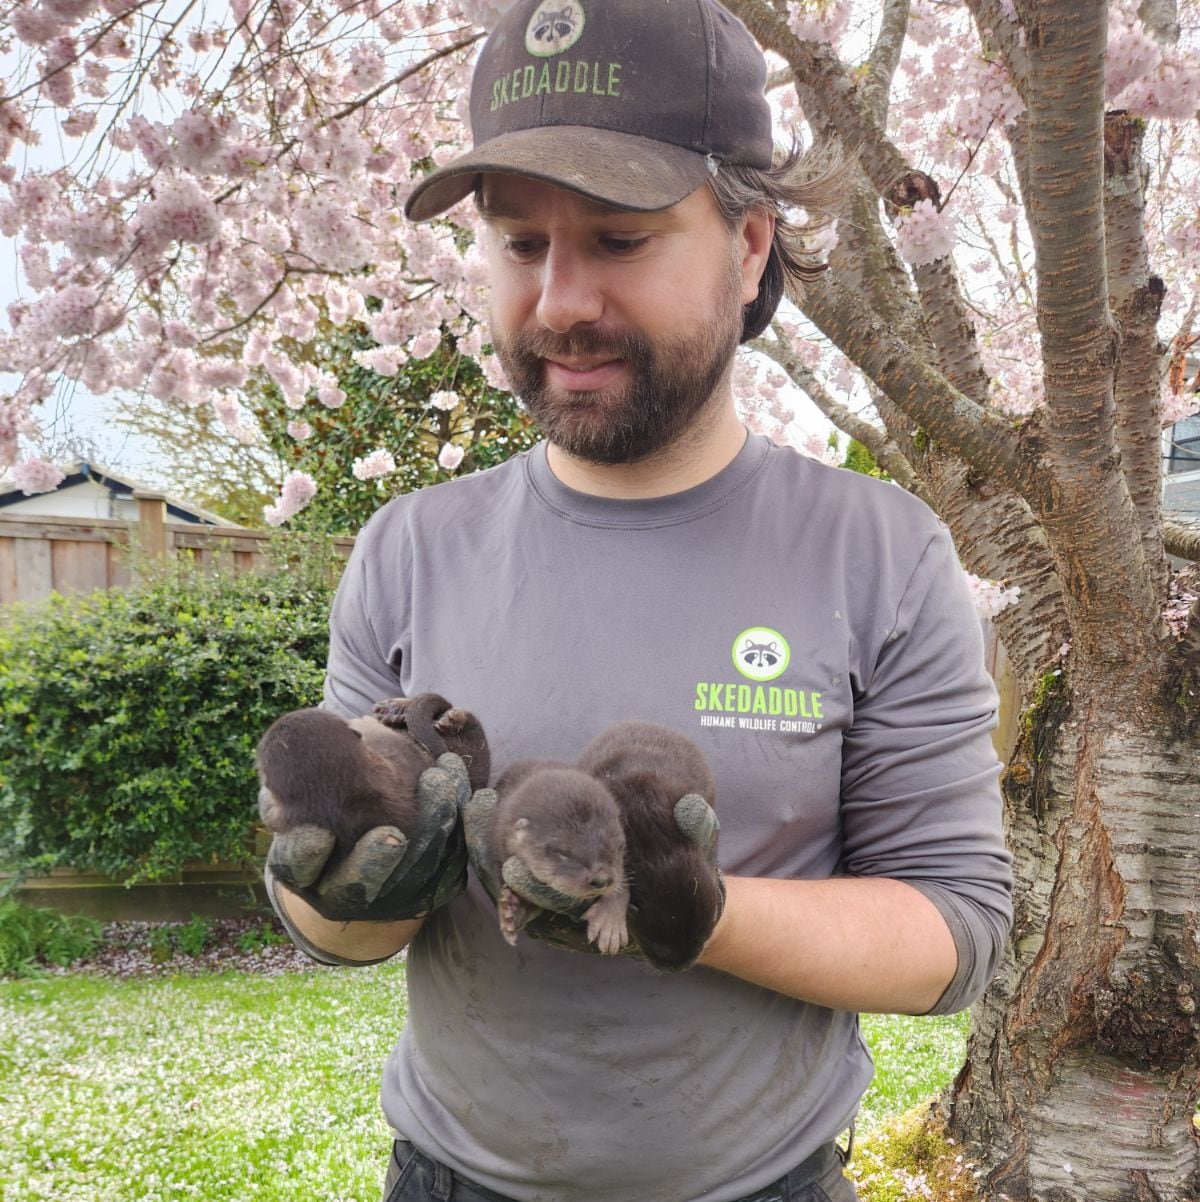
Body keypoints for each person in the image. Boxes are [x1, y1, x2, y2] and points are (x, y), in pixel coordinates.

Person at [262, 2, 1014, 1200]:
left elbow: (953, 933)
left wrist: (686, 905)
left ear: (752, 243)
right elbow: (351, 934)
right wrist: (345, 887)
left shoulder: (878, 552)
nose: (559, 300)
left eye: (618, 239)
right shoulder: (410, 547)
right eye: (519, 243)